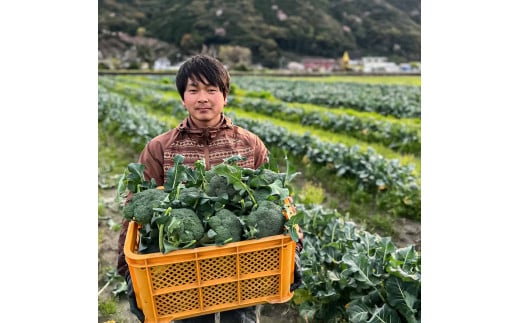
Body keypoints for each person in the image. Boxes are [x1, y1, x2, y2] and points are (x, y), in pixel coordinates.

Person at [116, 54, 303, 323]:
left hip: (241, 260)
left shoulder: (250, 144)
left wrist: (295, 248)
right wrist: (126, 268)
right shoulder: (160, 148)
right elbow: (136, 206)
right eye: (193, 90)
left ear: (224, 96)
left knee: (240, 318)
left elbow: (279, 198)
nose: (202, 98)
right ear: (183, 98)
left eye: (211, 90)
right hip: (181, 263)